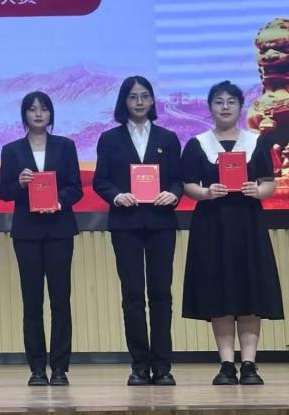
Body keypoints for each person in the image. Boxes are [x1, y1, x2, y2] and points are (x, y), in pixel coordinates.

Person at [181, 81, 283, 385]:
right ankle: (226, 364)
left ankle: (249, 364)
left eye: (231, 102)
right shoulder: (198, 144)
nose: (225, 107)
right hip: (212, 224)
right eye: (218, 102)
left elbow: (269, 182)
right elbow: (187, 185)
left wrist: (258, 191)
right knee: (220, 292)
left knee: (249, 290)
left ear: (240, 107)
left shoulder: (256, 141)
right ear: (210, 107)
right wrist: (206, 192)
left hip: (248, 223)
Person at [92, 75, 182, 386]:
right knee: (132, 295)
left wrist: (173, 193)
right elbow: (100, 181)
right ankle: (140, 365)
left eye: (145, 96)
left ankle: (163, 366)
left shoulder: (168, 138)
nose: (140, 102)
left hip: (161, 223)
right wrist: (117, 196)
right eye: (133, 97)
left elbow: (178, 180)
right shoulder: (109, 139)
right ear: (124, 102)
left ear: (153, 100)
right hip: (126, 224)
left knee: (161, 294)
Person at [0, 91, 83, 386]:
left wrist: (58, 201)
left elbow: (76, 188)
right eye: (32, 109)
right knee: (32, 302)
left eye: (43, 109)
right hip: (27, 233)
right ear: (24, 114)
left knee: (60, 301)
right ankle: (36, 368)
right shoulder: (12, 150)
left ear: (50, 114)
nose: (38, 114)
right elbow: (3, 191)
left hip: (59, 229)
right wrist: (20, 185)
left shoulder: (66, 146)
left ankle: (59, 368)